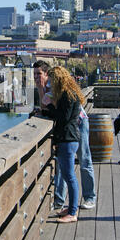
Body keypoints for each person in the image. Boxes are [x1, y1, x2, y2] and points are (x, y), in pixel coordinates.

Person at [33, 61, 96, 210]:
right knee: (62, 164)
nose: (36, 77)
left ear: (47, 74)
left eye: (39, 74)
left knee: (84, 158)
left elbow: (51, 106)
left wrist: (43, 94)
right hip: (67, 124)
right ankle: (59, 200)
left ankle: (89, 197)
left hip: (78, 122)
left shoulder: (55, 85)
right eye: (34, 74)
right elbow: (47, 107)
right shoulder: (44, 86)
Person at [42, 66, 85, 223]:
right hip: (69, 138)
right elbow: (63, 115)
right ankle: (71, 207)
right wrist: (47, 111)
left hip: (68, 139)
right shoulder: (70, 93)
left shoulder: (67, 95)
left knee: (69, 176)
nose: (50, 83)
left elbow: (63, 117)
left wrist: (50, 105)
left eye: (52, 80)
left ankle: (72, 213)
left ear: (58, 79)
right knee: (69, 176)